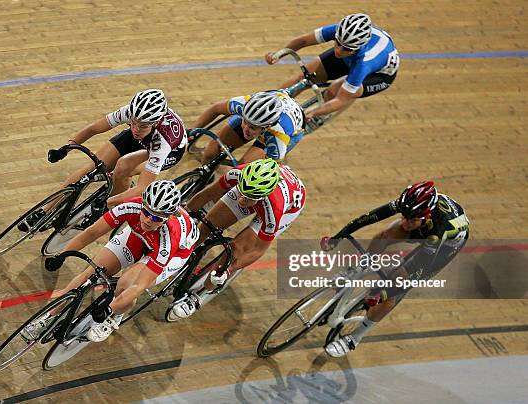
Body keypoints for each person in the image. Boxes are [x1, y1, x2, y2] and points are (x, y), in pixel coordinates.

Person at [21, 180, 199, 342]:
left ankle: (115, 317)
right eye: (146, 212)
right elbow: (92, 233)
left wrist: (110, 309)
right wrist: (62, 254)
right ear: (142, 204)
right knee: (90, 274)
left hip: (175, 254)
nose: (147, 219)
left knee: (127, 284)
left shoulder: (169, 239)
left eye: (156, 218)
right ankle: (47, 318)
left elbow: (138, 287)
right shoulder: (131, 207)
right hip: (140, 237)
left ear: (167, 218)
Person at [320, 181, 469, 357]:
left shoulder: (438, 231)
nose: (405, 222)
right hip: (424, 227)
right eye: (404, 216)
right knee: (385, 235)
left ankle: (354, 338)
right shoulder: (409, 204)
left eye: (411, 220)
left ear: (425, 216)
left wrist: (383, 293)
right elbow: (370, 217)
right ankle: (358, 269)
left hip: (445, 247)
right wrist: (338, 237)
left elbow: (418, 270)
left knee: (394, 288)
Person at [20, 88, 187, 229]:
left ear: (156, 122)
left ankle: (108, 204)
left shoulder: (163, 143)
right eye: (133, 123)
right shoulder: (131, 113)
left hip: (166, 151)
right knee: (90, 168)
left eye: (142, 125)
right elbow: (94, 128)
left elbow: (142, 188)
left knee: (123, 169)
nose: (135, 128)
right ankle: (45, 210)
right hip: (146, 139)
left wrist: (110, 202)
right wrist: (67, 147)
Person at [171, 158, 307, 318]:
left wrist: (229, 269)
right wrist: (183, 213)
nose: (242, 199)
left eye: (248, 197)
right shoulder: (238, 174)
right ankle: (181, 256)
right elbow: (208, 194)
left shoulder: (274, 211)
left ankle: (198, 295)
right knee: (206, 225)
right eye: (242, 192)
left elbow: (258, 250)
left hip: (288, 207)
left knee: (237, 249)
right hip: (256, 188)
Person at [265, 13, 399, 125]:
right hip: (352, 57)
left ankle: (317, 119)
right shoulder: (341, 33)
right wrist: (279, 54)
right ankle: (269, 106)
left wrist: (313, 113)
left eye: (345, 48)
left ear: (358, 47)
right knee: (304, 77)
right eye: (337, 43)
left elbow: (341, 99)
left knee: (335, 92)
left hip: (378, 75)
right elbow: (303, 40)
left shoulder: (365, 62)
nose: (339, 51)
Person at [191, 90, 305, 164]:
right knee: (210, 153)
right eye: (244, 121)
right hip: (269, 107)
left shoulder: (279, 137)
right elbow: (215, 109)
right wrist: (190, 131)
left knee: (241, 172)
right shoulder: (243, 104)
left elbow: (270, 171)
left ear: (265, 127)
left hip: (289, 129)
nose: (245, 128)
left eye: (252, 127)